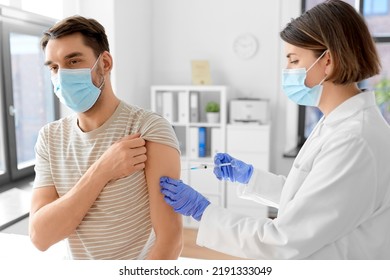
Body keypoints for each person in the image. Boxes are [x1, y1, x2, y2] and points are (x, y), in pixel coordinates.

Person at [160, 0, 390, 259]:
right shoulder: (336, 123)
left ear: (328, 61)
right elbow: (308, 199)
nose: (286, 71)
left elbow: (284, 240)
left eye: (293, 60)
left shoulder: (354, 140)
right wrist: (250, 178)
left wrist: (203, 210)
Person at [29, 15, 182, 260]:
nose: (62, 76)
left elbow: (169, 241)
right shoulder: (50, 138)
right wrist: (101, 171)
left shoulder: (148, 129)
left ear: (106, 63)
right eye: (54, 68)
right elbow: (40, 236)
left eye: (74, 61)